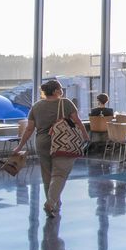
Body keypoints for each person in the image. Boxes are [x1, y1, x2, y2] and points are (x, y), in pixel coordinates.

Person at [17, 80, 81, 217]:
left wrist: (20, 145)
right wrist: (85, 136)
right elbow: (77, 121)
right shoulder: (66, 103)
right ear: (57, 90)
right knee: (60, 174)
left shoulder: (36, 106)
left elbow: (29, 129)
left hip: (41, 142)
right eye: (60, 88)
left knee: (47, 174)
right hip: (62, 142)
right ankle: (52, 201)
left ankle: (52, 202)